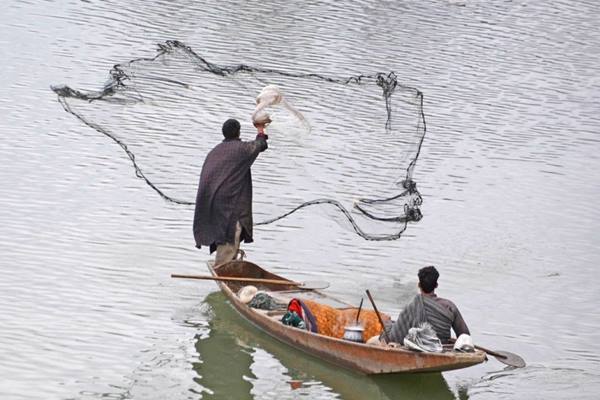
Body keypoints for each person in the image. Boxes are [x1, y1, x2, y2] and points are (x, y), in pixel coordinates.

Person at [193, 115, 270, 266]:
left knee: (227, 235)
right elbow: (260, 144)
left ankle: (228, 265)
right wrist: (261, 129)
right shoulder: (240, 150)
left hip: (213, 202)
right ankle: (224, 269)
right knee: (230, 235)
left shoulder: (215, 151)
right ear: (238, 132)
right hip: (230, 204)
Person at [382, 266, 470, 345]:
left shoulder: (411, 306)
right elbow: (465, 336)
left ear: (419, 285)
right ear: (436, 285)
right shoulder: (449, 306)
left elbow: (393, 338)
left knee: (388, 324)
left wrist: (387, 324)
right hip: (442, 346)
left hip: (419, 346)